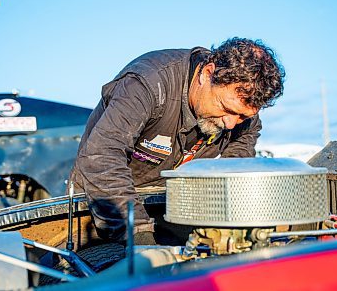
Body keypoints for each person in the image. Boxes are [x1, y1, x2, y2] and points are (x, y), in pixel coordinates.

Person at [69, 37, 285, 245]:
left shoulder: (240, 109)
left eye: (242, 117)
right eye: (226, 109)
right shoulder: (149, 83)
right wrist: (141, 239)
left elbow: (242, 148)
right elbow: (101, 157)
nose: (230, 124)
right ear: (207, 74)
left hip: (173, 206)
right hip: (102, 202)